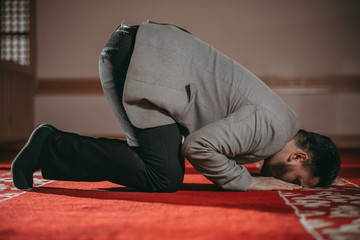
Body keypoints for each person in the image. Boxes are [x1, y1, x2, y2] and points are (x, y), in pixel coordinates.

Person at [11, 21, 341, 192]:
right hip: (141, 60)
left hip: (140, 54)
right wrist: (248, 181)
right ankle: (50, 145)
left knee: (163, 170)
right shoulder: (272, 128)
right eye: (297, 181)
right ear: (299, 157)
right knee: (164, 176)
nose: (288, 185)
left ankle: (51, 150)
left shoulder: (275, 124)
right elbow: (198, 146)